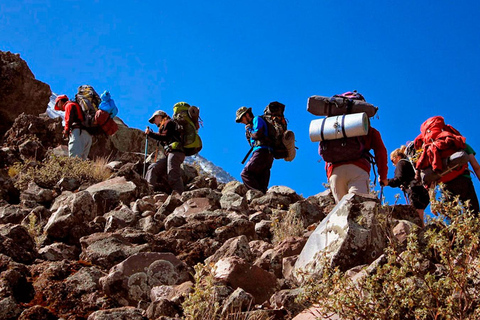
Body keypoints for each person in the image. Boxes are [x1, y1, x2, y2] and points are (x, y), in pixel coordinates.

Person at [325, 125, 389, 203]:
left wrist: (329, 175)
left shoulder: (332, 127)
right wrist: (383, 176)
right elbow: (381, 152)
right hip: (358, 170)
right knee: (358, 208)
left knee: (341, 211)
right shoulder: (367, 129)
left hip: (335, 172)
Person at [145, 109, 185, 194]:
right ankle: (147, 191)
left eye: (154, 119)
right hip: (170, 154)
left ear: (159, 116)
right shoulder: (164, 126)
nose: (154, 122)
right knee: (153, 168)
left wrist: (150, 134)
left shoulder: (169, 123)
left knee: (173, 174)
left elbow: (165, 137)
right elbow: (164, 137)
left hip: (175, 152)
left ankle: (179, 196)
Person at [388, 146, 430, 226]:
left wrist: (387, 182)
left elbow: (398, 179)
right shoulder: (407, 164)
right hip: (420, 192)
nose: (393, 164)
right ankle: (423, 233)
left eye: (392, 160)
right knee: (419, 216)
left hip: (415, 192)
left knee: (417, 218)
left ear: (397, 157)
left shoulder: (401, 163)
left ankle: (421, 234)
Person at [236, 106, 274, 194]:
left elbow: (257, 135)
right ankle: (263, 198)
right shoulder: (252, 125)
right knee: (260, 181)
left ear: (247, 114)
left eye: (241, 119)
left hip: (261, 152)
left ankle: (258, 195)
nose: (242, 122)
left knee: (245, 173)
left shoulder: (257, 119)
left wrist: (249, 130)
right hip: (268, 154)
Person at [442, 143, 480, 214]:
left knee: (451, 215)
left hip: (445, 185)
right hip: (464, 180)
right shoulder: (460, 143)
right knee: (473, 213)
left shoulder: (435, 148)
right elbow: (476, 167)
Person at [54, 94, 92, 160]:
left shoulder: (69, 105)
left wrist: (66, 131)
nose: (59, 108)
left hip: (78, 134)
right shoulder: (77, 105)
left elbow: (68, 120)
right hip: (88, 135)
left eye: (57, 104)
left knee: (74, 158)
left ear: (60, 101)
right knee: (82, 161)